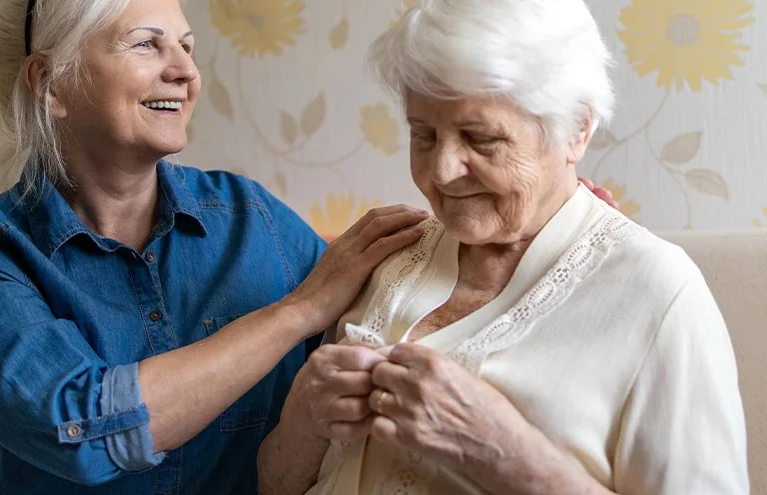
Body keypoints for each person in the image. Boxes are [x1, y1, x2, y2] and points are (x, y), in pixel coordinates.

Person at [0, 0, 618, 493]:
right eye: (145, 44)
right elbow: (88, 429)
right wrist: (295, 311)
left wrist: (546, 233)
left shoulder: (250, 218)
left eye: (187, 47)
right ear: (50, 84)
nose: (184, 71)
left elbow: (398, 304)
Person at [257, 0, 749, 494]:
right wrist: (303, 417)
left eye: (481, 138)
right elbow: (274, 484)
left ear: (577, 129)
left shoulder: (657, 293)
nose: (442, 171)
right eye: (423, 135)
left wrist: (500, 452)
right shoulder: (384, 255)